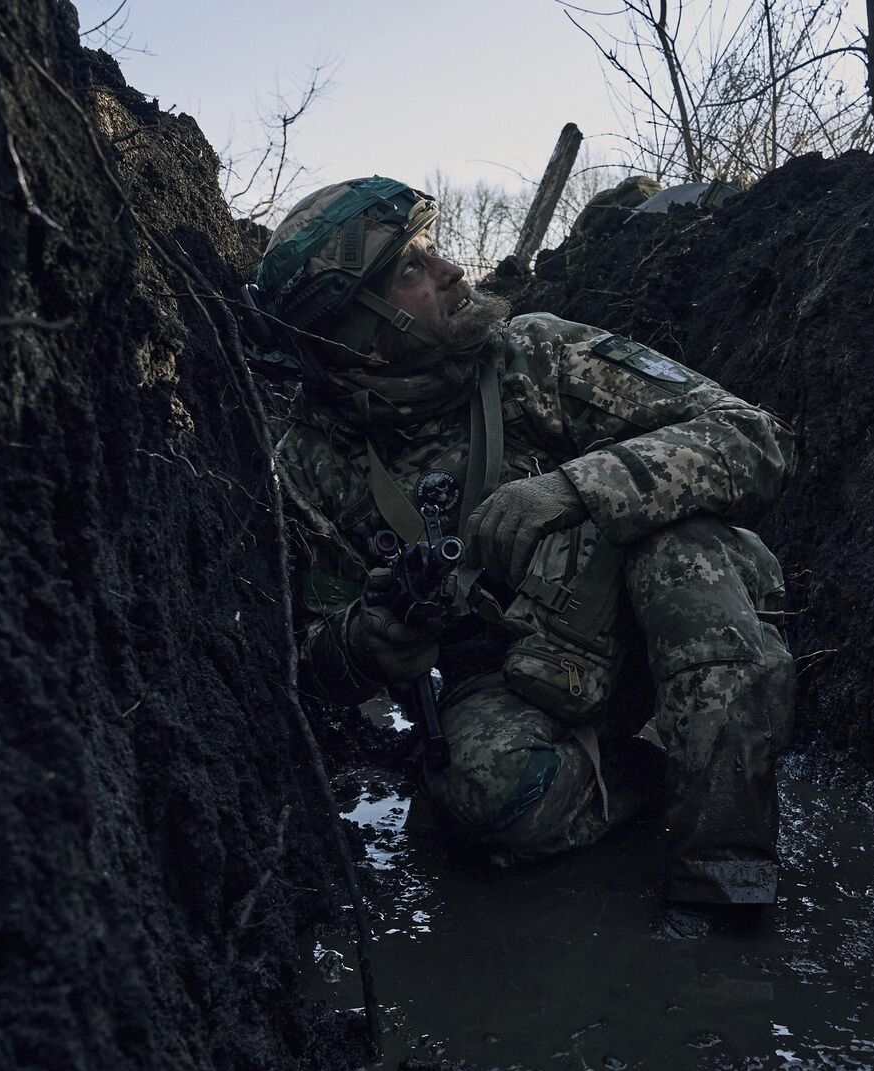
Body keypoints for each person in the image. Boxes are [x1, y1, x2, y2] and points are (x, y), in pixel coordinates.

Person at [249, 177, 795, 935]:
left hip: (665, 624)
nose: (450, 272)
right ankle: (662, 766)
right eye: (410, 269)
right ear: (353, 333)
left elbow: (752, 436)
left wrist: (580, 487)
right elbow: (304, 662)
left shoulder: (534, 356)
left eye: (432, 250)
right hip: (523, 676)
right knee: (478, 797)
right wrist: (370, 642)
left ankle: (725, 877)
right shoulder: (311, 464)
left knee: (684, 559)